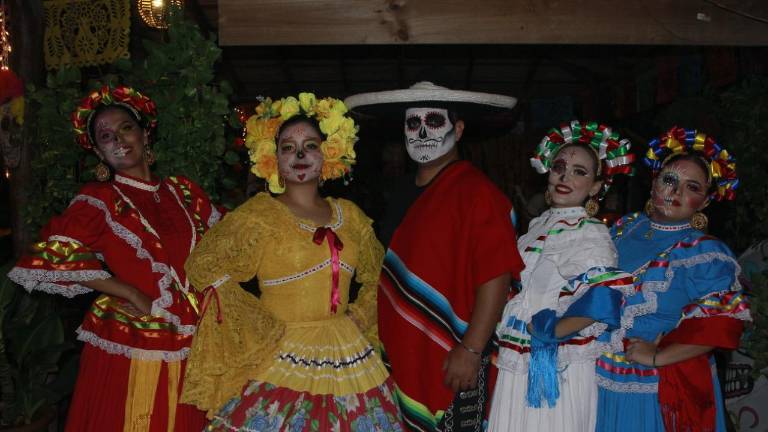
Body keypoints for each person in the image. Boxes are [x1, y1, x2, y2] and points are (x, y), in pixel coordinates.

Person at [180, 93, 404, 431]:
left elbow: (380, 277)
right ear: (273, 158)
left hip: (349, 352)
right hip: (283, 353)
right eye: (287, 147)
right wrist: (257, 324)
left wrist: (360, 315)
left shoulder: (352, 216)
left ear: (328, 153)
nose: (299, 155)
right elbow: (204, 265)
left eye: (310, 145)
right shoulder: (260, 215)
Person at [7, 86, 219, 431]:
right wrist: (131, 292)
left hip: (198, 331)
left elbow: (226, 245)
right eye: (106, 136)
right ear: (99, 153)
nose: (119, 139)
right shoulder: (100, 198)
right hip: (136, 336)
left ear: (144, 132)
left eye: (125, 128)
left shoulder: (184, 191)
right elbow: (56, 254)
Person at [345, 82, 524, 432]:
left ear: (457, 129)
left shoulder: (476, 193)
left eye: (434, 121)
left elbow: (497, 275)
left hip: (454, 356)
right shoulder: (401, 191)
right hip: (403, 354)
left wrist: (471, 350)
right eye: (413, 124)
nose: (423, 133)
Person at [595, 126, 751, 432]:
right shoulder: (623, 228)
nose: (676, 192)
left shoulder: (706, 253)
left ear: (705, 202)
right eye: (670, 180)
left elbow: (720, 325)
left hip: (650, 387)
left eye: (692, 187)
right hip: (594, 375)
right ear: (654, 182)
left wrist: (658, 357)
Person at [488, 121, 635, 431]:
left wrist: (553, 332)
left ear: (595, 187)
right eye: (559, 167)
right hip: (519, 354)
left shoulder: (590, 232)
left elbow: (605, 297)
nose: (565, 175)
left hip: (558, 363)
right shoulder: (537, 226)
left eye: (580, 171)